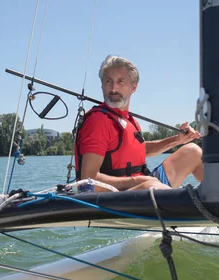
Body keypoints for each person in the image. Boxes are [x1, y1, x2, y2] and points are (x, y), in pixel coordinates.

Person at [74, 55, 204, 192]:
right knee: (152, 186)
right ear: (102, 85)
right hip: (116, 200)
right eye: (108, 81)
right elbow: (88, 181)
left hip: (145, 186)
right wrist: (140, 181)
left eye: (120, 81)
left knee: (192, 152)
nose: (113, 89)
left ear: (134, 87)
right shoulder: (98, 121)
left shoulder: (131, 121)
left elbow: (138, 150)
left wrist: (177, 140)